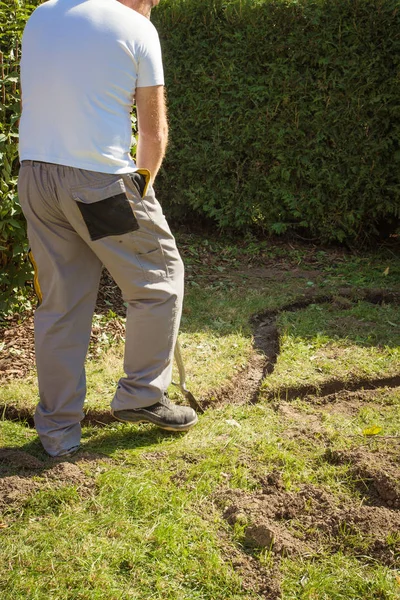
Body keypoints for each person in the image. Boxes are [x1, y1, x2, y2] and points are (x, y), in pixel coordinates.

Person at [18, 0, 198, 458]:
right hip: (98, 183)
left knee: (61, 305)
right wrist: (141, 188)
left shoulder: (41, 15)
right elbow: (152, 136)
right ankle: (142, 395)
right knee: (158, 282)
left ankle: (58, 433)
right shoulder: (137, 29)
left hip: (36, 176)